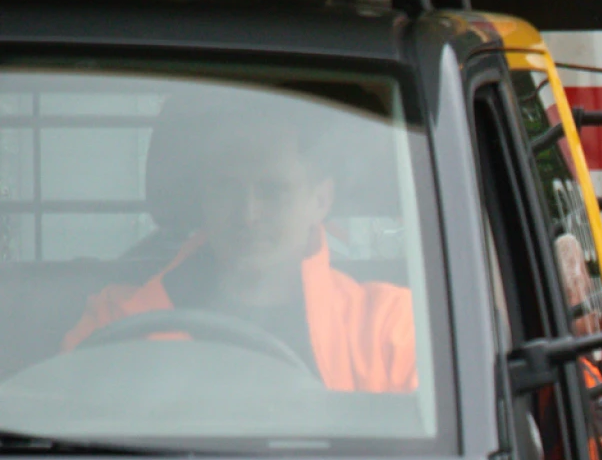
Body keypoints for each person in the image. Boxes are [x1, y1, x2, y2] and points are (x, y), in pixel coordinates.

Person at [62, 100, 416, 392]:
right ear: (202, 196)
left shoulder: (388, 329)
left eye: (272, 190)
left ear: (321, 200)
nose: (248, 215)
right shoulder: (116, 321)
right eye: (225, 188)